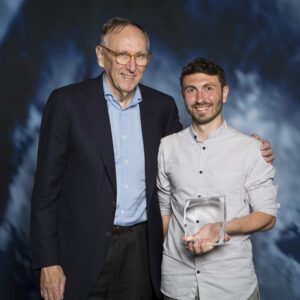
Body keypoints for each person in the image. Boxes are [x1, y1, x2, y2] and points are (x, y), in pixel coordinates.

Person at [30, 17, 273, 300]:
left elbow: (192, 156)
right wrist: (48, 261)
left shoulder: (162, 107)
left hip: (142, 249)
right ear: (100, 56)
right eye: (122, 54)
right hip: (80, 249)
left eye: (140, 56)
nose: (131, 66)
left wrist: (250, 146)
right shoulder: (66, 103)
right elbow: (46, 190)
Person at [157, 58, 279, 300]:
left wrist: (221, 228)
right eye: (192, 90)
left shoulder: (251, 149)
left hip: (232, 286)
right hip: (177, 285)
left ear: (224, 93)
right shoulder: (167, 147)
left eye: (208, 88)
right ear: (183, 95)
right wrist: (180, 248)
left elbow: (268, 216)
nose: (200, 98)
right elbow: (164, 208)